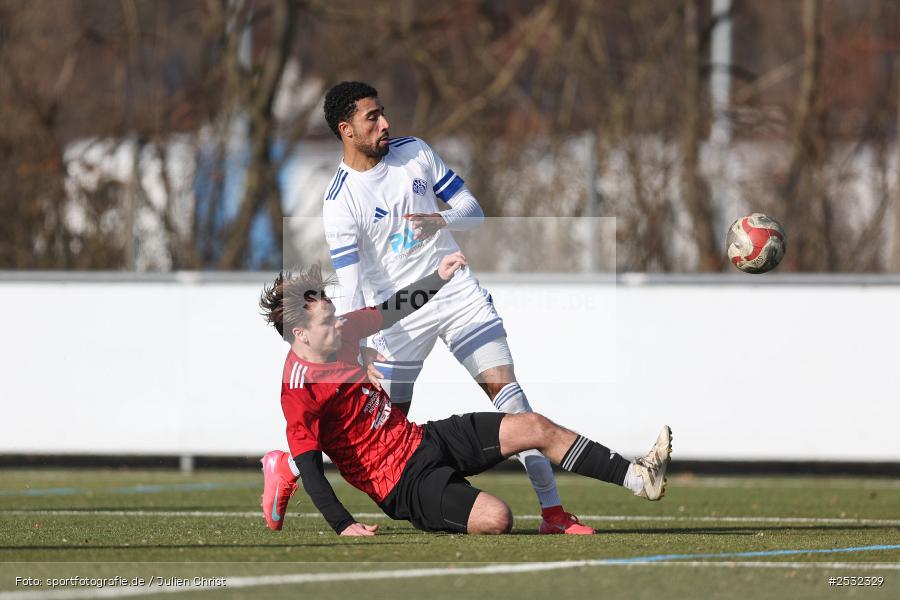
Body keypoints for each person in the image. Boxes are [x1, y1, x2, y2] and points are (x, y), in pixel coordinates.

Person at [318, 80, 593, 533]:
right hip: (399, 318)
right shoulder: (340, 200)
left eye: (384, 112)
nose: (385, 123)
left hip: (456, 294)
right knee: (376, 429)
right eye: (373, 117)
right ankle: (291, 469)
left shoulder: (416, 153)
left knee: (513, 403)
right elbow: (350, 290)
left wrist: (440, 218)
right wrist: (360, 350)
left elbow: (473, 209)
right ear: (347, 130)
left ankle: (553, 513)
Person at [258, 253, 672, 535]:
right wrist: (343, 524)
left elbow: (392, 309)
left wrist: (438, 278)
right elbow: (312, 466)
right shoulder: (299, 389)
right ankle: (278, 467)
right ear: (301, 335)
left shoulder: (341, 331)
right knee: (498, 519)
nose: (338, 323)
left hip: (421, 439)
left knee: (533, 425)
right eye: (327, 321)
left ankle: (639, 478)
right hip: (400, 484)